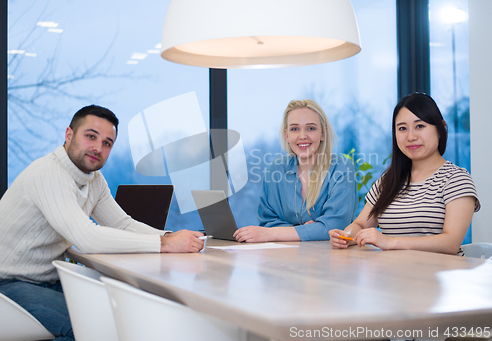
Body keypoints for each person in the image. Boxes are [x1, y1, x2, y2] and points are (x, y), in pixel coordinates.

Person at [0, 105, 204, 340]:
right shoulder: (48, 172)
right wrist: (166, 244)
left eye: (107, 143)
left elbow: (122, 223)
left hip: (46, 281)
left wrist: (170, 237)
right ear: (69, 135)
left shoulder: (94, 179)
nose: (98, 148)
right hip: (9, 283)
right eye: (91, 136)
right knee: (96, 326)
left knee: (123, 313)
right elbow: (87, 238)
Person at [329, 93, 480, 254]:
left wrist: (390, 242)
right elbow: (360, 225)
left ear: (441, 128)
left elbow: (450, 243)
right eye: (402, 128)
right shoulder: (389, 180)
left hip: (438, 275)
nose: (411, 136)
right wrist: (345, 236)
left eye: (420, 126)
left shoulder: (456, 179)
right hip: (394, 274)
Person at [234, 99, 357, 243]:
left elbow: (335, 227)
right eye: (294, 129)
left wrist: (275, 233)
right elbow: (268, 221)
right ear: (287, 135)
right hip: (287, 258)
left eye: (311, 128)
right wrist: (305, 230)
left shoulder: (341, 167)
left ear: (323, 134)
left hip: (331, 259)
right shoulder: (277, 169)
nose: (302, 136)